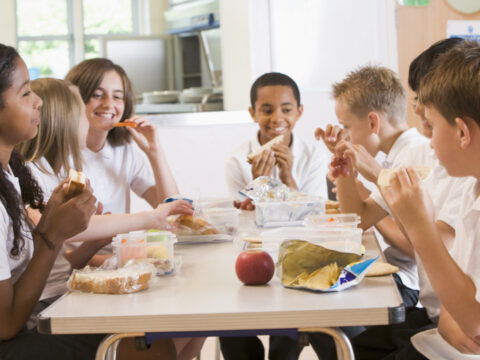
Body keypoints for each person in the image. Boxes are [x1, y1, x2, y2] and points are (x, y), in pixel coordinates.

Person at [66, 59, 205, 360]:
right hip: (82, 270)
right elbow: (71, 241)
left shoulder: (123, 149)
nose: (109, 104)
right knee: (163, 333)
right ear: (76, 99)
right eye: (97, 94)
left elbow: (174, 209)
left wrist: (155, 152)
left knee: (199, 321)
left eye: (118, 96)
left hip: (118, 263)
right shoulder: (62, 153)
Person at [0, 43, 103, 360]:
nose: (38, 102)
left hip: (29, 323)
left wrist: (53, 223)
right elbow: (5, 326)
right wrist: (52, 234)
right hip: (12, 343)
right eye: (26, 92)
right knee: (138, 342)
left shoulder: (11, 175)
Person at [380, 41, 480, 357]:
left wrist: (419, 225)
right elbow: (464, 285)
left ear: (462, 132)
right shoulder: (470, 188)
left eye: (433, 125)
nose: (431, 141)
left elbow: (474, 325)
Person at [225, 72, 328, 210]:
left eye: (286, 110)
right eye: (267, 111)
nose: (277, 118)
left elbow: (317, 214)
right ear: (253, 113)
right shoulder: (237, 161)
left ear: (299, 112)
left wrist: (288, 179)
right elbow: (242, 219)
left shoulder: (314, 156)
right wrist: (260, 186)